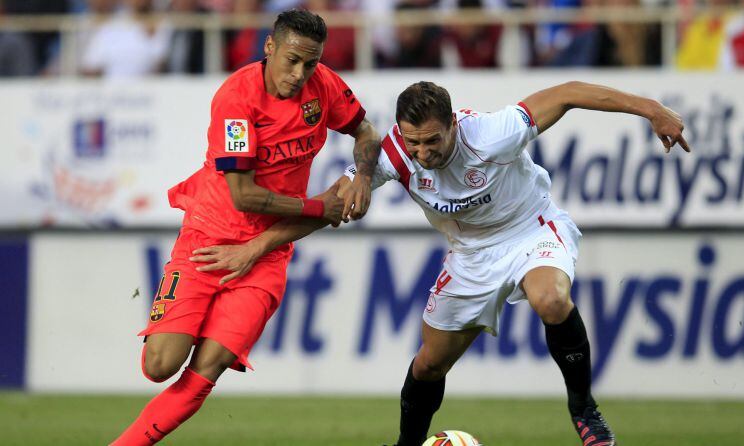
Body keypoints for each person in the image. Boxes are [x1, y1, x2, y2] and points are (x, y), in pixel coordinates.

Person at [191, 80, 690, 446]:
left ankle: (585, 410)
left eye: (433, 140)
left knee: (550, 298)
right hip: (470, 256)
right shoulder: (394, 158)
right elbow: (326, 208)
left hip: (529, 230)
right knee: (429, 364)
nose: (424, 153)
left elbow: (569, 92)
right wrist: (257, 247)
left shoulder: (492, 133)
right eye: (414, 143)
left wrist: (652, 110)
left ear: (454, 124)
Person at [110, 9, 381, 445]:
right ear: (269, 47)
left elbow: (365, 130)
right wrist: (319, 207)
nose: (300, 73)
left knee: (209, 366)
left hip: (267, 255)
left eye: (310, 63)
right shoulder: (237, 99)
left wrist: (363, 176)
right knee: (160, 365)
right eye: (292, 60)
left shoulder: (323, 85)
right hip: (209, 238)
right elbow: (244, 195)